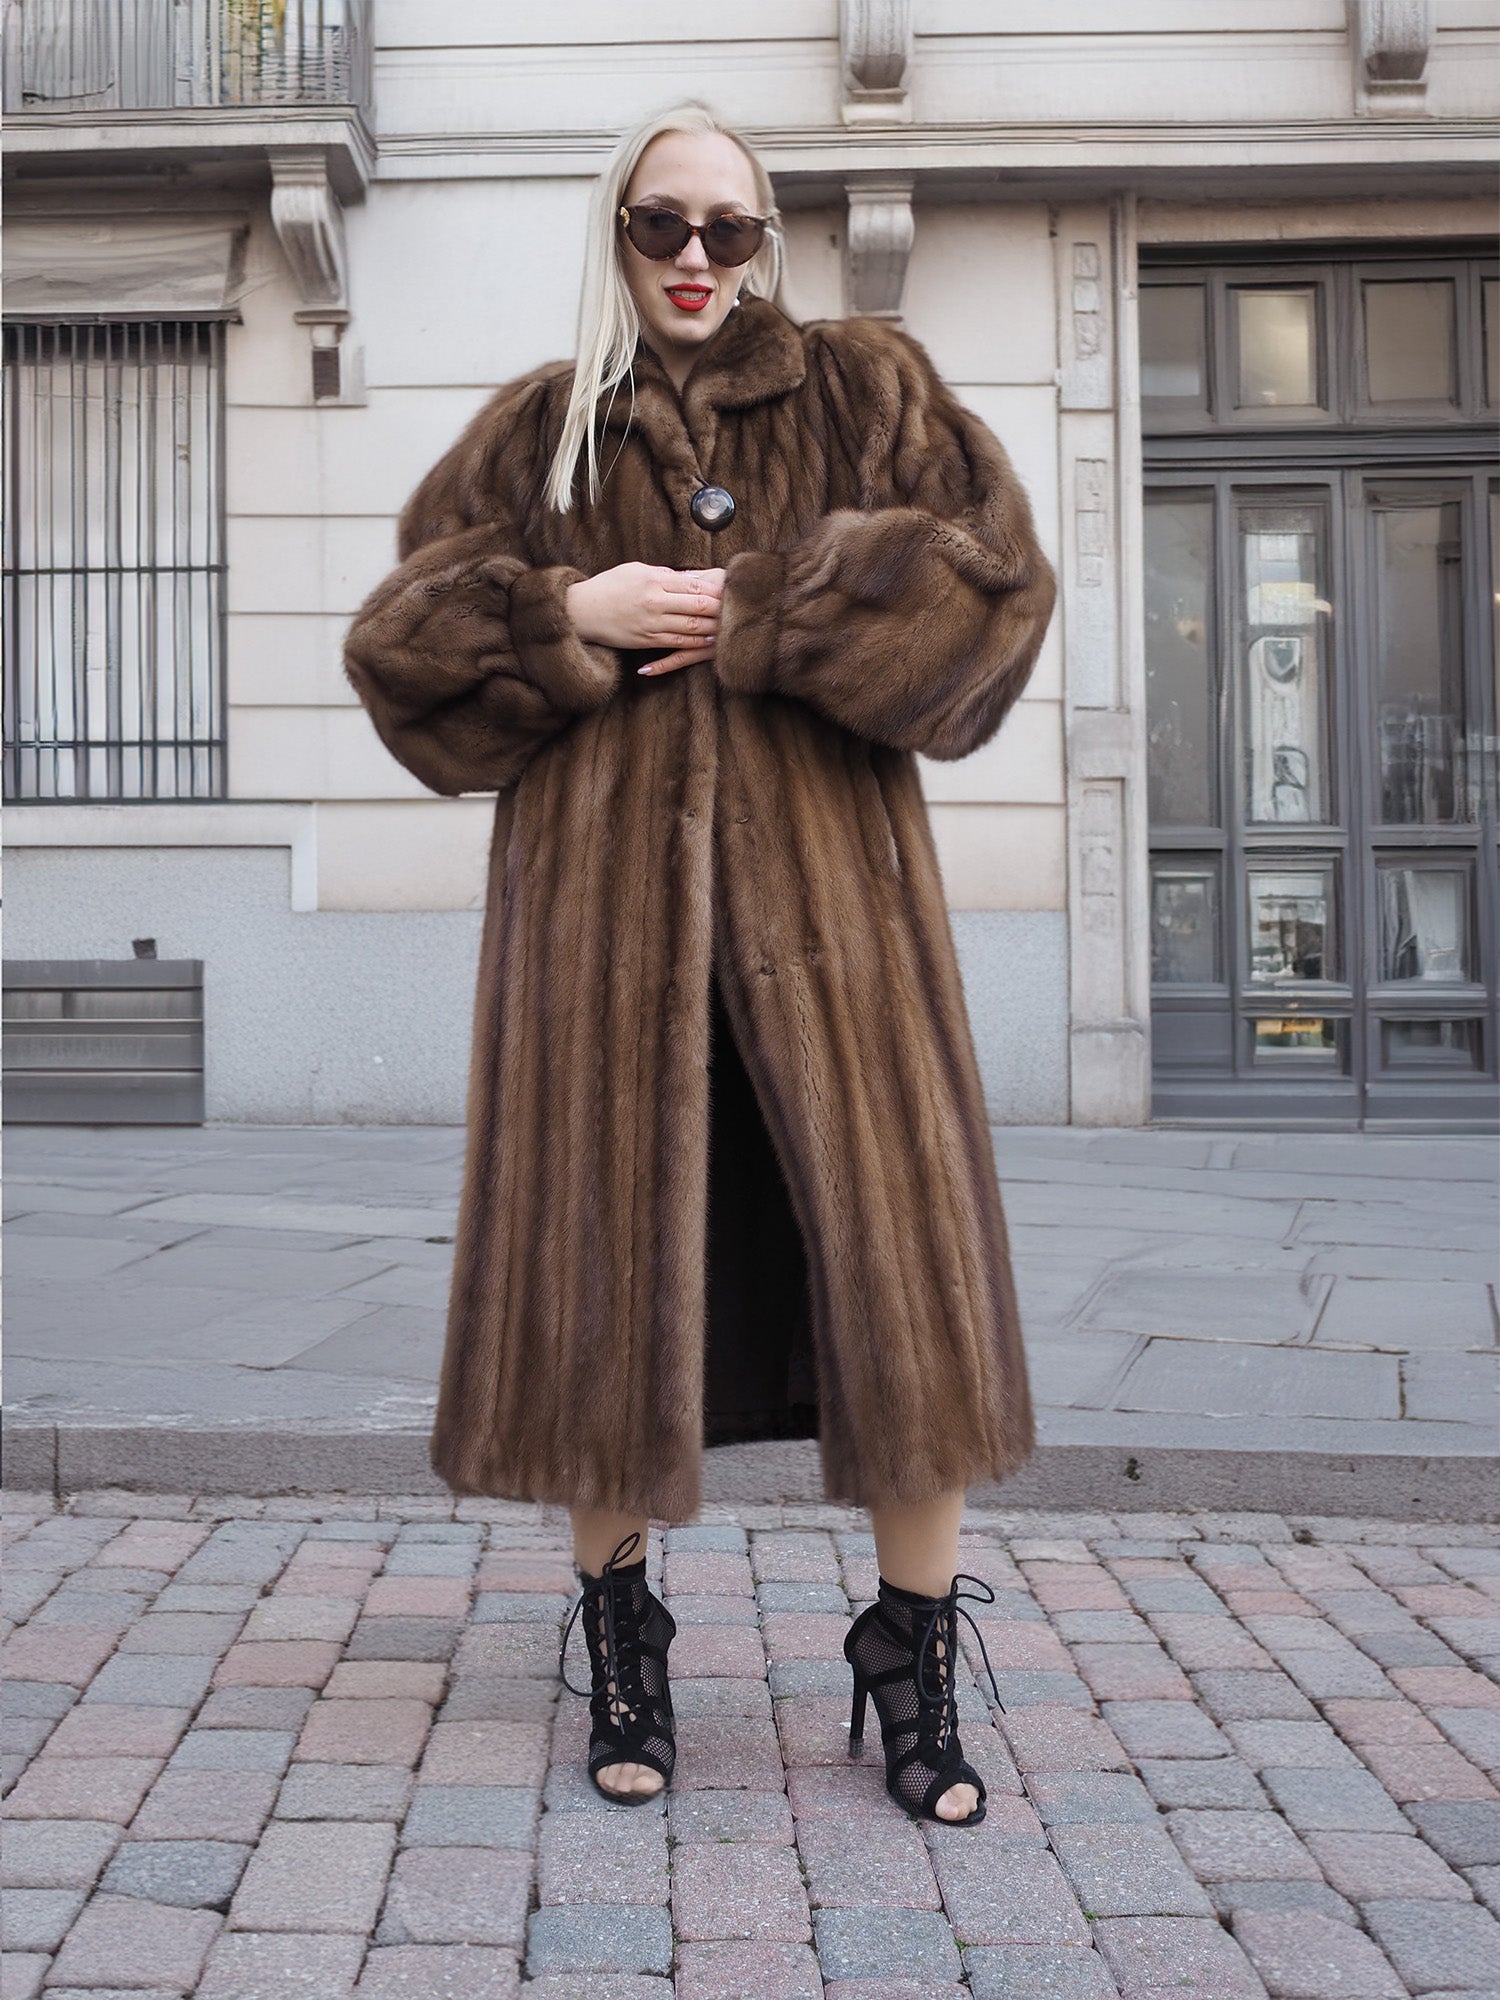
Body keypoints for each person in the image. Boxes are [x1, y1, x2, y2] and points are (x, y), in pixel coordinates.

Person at [343, 103, 1057, 1827]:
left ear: (769, 241)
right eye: (662, 226)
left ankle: (910, 1653)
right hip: (602, 954)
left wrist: (773, 609)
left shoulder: (867, 389)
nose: (692, 260)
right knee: (608, 1283)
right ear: (617, 233)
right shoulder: (540, 430)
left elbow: (996, 597)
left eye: (726, 230)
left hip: (841, 941)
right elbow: (396, 654)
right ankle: (623, 1632)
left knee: (902, 1295)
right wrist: (561, 618)